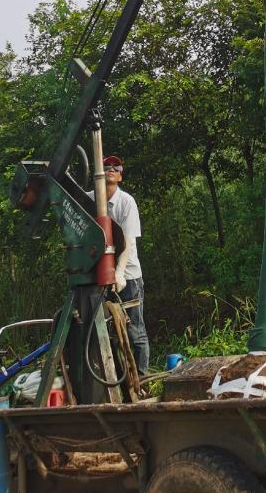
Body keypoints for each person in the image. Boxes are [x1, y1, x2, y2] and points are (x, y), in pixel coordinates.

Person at [99, 154, 150, 376]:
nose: (111, 169)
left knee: (134, 331)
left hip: (127, 277)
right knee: (106, 332)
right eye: (106, 166)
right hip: (100, 278)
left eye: (115, 167)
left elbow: (128, 242)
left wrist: (119, 274)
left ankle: (141, 378)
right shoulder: (91, 199)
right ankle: (117, 380)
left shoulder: (126, 202)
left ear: (120, 175)